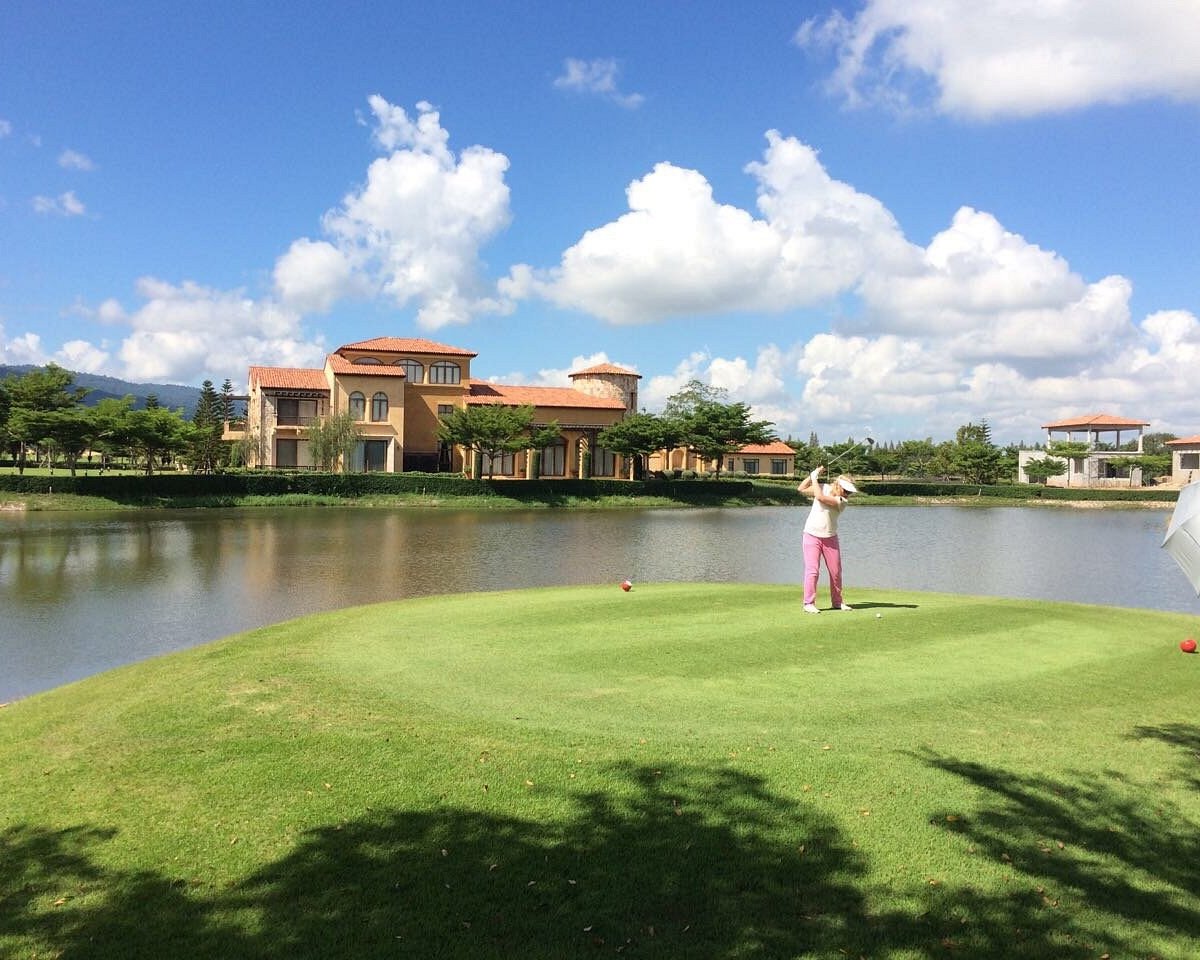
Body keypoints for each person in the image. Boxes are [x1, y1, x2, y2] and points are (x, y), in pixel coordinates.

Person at [797, 466, 857, 613]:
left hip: (830, 538)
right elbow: (801, 488)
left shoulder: (842, 501)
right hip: (811, 534)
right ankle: (808, 603)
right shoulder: (823, 487)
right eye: (846, 490)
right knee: (813, 570)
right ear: (838, 486)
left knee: (835, 571)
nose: (848, 494)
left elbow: (820, 497)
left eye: (849, 492)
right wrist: (812, 476)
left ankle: (837, 602)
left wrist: (815, 478)